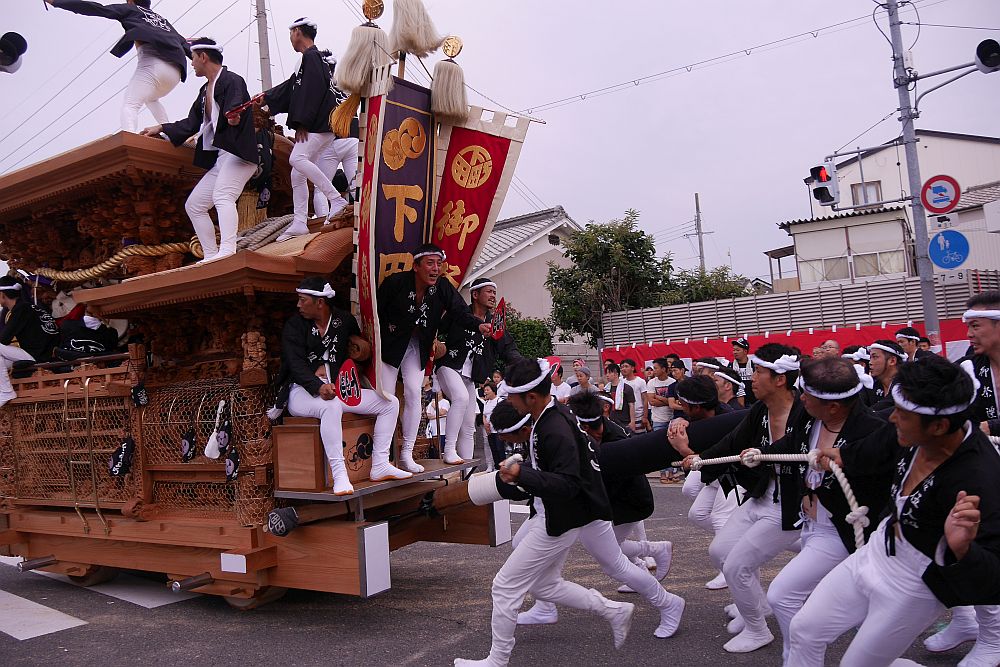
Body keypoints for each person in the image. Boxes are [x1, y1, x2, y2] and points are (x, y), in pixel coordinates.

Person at [787, 355, 1000, 666]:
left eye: (902, 414)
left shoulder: (980, 479)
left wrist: (962, 549)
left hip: (917, 583)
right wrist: (844, 455)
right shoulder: (911, 430)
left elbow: (992, 578)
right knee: (804, 630)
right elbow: (880, 444)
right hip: (878, 547)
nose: (892, 418)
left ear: (939, 425)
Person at [454, 358, 638, 667]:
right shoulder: (549, 417)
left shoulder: (554, 429)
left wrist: (522, 474)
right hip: (555, 513)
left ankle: (497, 660)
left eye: (513, 396)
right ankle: (613, 610)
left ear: (531, 397)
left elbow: (568, 484)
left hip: (559, 518)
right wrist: (523, 474)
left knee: (505, 586)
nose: (510, 402)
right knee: (544, 585)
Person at [757, 357, 896, 663]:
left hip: (843, 530)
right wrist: (762, 454)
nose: (801, 398)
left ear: (833, 407)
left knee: (782, 595)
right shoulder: (809, 416)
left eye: (808, 395)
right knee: (859, 608)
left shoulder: (874, 432)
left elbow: (884, 485)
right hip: (811, 524)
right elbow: (793, 443)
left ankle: (795, 656)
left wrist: (845, 461)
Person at [514, 390, 680, 632]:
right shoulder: (558, 428)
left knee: (615, 564)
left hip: (607, 505)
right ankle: (544, 606)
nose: (594, 431)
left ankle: (668, 602)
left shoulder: (611, 438)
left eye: (596, 425)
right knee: (521, 543)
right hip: (567, 507)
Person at [681, 343, 805, 653]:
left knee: (737, 566)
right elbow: (731, 442)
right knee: (720, 551)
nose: (752, 378)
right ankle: (758, 606)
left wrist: (764, 453)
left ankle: (757, 630)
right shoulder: (760, 411)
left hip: (791, 505)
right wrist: (698, 458)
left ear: (780, 379)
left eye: (759, 372)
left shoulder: (806, 411)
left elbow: (798, 448)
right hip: (762, 495)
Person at [272, 277, 410, 495]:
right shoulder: (295, 326)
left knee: (390, 403)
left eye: (303, 300)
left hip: (339, 388)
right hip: (301, 392)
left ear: (320, 302)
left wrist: (360, 353)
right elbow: (295, 364)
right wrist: (318, 386)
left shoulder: (344, 320)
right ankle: (340, 475)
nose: (298, 305)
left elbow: (357, 351)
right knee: (331, 406)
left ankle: (380, 464)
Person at [922, 292, 1000, 666]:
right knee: (973, 543)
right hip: (985, 471)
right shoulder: (970, 368)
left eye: (976, 325)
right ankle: (980, 628)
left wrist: (993, 426)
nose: (968, 333)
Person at [141, 38, 257, 264]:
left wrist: (234, 118)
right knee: (194, 205)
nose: (192, 63)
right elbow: (191, 123)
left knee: (223, 196)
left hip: (239, 154)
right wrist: (162, 128)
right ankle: (211, 254)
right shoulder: (205, 90)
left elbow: (235, 106)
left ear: (204, 57)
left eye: (193, 58)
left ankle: (228, 250)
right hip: (222, 157)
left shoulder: (232, 80)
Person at [377, 244, 486, 472]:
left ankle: (406, 454)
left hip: (418, 345)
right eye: (430, 263)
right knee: (387, 398)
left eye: (439, 263)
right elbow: (376, 311)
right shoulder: (395, 283)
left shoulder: (442, 287)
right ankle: (381, 459)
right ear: (416, 266)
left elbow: (459, 311)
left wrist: (478, 325)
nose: (436, 268)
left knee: (413, 394)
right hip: (390, 346)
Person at [48, 0, 189, 132]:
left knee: (130, 104)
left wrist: (57, 2)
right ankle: (168, 132)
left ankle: (130, 138)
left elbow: (96, 8)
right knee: (150, 99)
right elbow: (185, 44)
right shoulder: (163, 21)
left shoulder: (131, 9)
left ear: (131, 1)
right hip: (176, 72)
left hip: (153, 66)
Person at [263, 18, 344, 241]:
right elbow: (291, 87)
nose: (290, 38)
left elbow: (312, 91)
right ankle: (300, 222)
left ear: (298, 32)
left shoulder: (312, 57)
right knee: (297, 174)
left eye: (291, 33)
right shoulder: (310, 60)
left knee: (296, 159)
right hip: (322, 126)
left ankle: (336, 199)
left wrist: (302, 123)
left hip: (317, 125)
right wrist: (267, 98)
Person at [436, 277, 520, 464]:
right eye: (489, 291)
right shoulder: (459, 313)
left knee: (468, 426)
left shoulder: (495, 323)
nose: (493, 296)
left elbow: (508, 348)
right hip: (448, 366)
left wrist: (522, 364)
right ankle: (448, 450)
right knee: (461, 398)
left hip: (469, 376)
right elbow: (437, 327)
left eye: (494, 292)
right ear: (475, 294)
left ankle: (465, 473)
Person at [668, 375, 738, 591]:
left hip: (734, 475)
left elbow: (720, 461)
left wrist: (684, 450)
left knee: (720, 517)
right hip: (713, 473)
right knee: (697, 513)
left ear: (696, 407)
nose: (680, 406)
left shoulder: (728, 420)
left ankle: (730, 565)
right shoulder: (700, 415)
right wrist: (679, 421)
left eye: (683, 404)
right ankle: (739, 535)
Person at [0, 278, 59, 407]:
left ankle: (7, 392)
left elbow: (3, 339)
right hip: (44, 353)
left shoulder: (20, 309)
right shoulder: (32, 307)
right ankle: (3, 391)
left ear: (3, 294)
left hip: (37, 356)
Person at [868, 339, 906, 409]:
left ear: (892, 361)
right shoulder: (870, 385)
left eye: (875, 357)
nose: (870, 362)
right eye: (870, 358)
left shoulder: (906, 386)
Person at [620, 358, 651, 433]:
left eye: (626, 366)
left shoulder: (640, 381)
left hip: (639, 415)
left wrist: (645, 416)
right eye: (622, 367)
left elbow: (645, 399)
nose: (624, 369)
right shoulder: (621, 382)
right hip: (626, 416)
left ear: (633, 368)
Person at [604, 363, 636, 430]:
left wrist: (632, 421)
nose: (607, 375)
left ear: (616, 374)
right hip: (610, 420)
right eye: (606, 373)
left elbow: (631, 405)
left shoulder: (626, 388)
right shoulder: (606, 389)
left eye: (609, 373)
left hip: (624, 421)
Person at [482, 382, 502, 467]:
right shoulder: (486, 402)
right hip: (489, 430)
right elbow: (484, 415)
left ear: (493, 391)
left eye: (487, 390)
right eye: (485, 390)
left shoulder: (499, 400)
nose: (485, 392)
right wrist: (485, 423)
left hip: (498, 430)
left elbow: (501, 414)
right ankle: (496, 467)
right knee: (493, 449)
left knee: (499, 449)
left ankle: (503, 467)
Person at [731, 338, 756, 404]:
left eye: (737, 350)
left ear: (745, 351)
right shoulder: (730, 366)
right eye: (734, 350)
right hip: (736, 403)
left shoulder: (754, 366)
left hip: (753, 402)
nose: (735, 352)